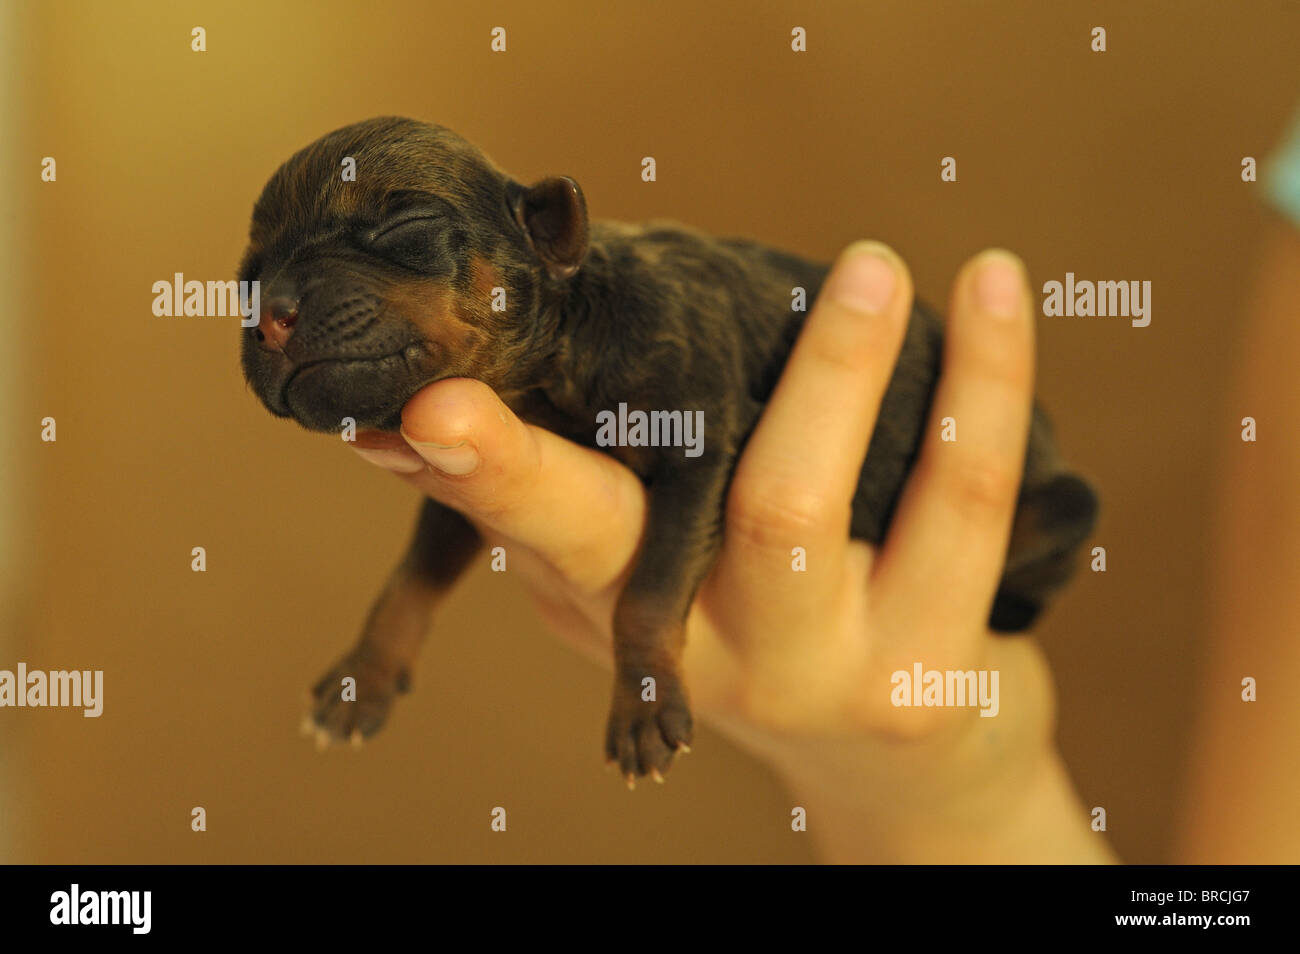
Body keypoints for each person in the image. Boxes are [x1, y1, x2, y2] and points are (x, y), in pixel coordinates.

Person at [352, 243, 1117, 863]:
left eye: (409, 245)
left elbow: (695, 464)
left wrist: (646, 647)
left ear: (548, 232)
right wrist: (962, 794)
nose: (273, 318)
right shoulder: (547, 359)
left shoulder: (646, 332)